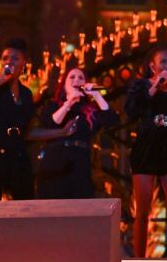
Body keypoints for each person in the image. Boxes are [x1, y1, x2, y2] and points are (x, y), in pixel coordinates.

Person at [0, 37, 68, 200]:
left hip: (16, 152)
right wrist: (1, 80)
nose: (9, 62)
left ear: (24, 63)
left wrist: (61, 132)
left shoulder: (26, 94)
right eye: (5, 58)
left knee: (25, 199)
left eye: (15, 58)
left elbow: (27, 132)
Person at [125, 45, 167, 257]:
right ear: (152, 65)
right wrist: (154, 87)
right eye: (163, 61)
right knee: (143, 211)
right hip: (147, 146)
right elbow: (132, 112)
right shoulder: (140, 86)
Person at [35, 66, 117, 199]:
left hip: (80, 159)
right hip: (55, 158)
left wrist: (96, 96)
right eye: (72, 77)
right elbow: (51, 123)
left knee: (79, 201)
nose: (76, 80)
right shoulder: (53, 105)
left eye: (81, 78)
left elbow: (111, 120)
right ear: (64, 84)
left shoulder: (90, 109)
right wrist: (68, 103)